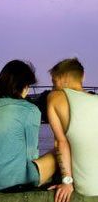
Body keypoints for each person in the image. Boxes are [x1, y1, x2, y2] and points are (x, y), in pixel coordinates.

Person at [0, 60, 56, 192]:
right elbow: (31, 154)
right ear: (25, 86)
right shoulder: (30, 110)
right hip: (13, 182)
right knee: (60, 150)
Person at [47, 58, 98, 202]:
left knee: (55, 152)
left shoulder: (55, 97)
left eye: (53, 81)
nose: (53, 86)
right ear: (83, 77)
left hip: (89, 189)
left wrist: (67, 182)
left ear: (61, 77)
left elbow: (60, 143)